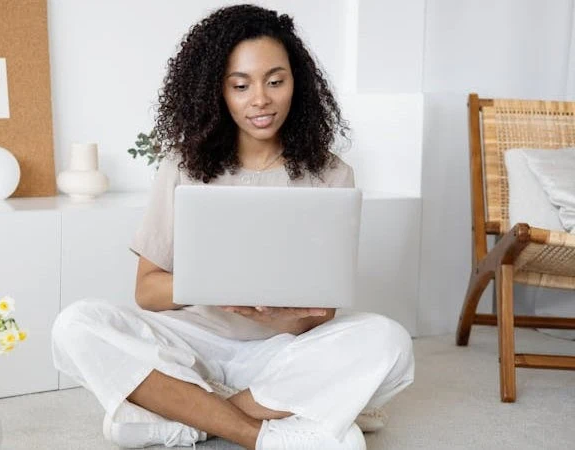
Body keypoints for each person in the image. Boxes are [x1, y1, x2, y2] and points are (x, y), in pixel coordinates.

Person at [52, 4, 414, 449]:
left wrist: (280, 315)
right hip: (190, 346)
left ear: (297, 83)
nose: (260, 99)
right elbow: (146, 291)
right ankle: (260, 429)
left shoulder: (331, 174)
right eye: (240, 85)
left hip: (280, 350)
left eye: (275, 81)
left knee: (389, 342)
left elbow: (323, 314)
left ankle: (187, 416)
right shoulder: (183, 167)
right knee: (76, 325)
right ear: (217, 91)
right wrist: (212, 286)